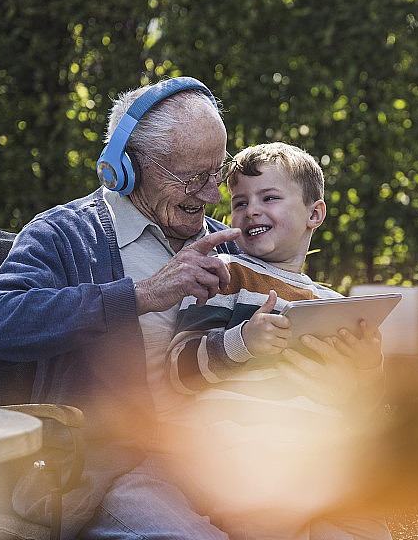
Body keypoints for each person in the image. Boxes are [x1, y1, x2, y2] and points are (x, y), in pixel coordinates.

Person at [0, 77, 385, 540]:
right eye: (191, 178)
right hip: (122, 465)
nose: (210, 194)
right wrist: (141, 294)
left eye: (216, 173)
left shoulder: (234, 244)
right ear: (126, 167)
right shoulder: (68, 235)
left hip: (226, 455)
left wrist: (353, 368)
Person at [165, 142, 391, 540]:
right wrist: (242, 342)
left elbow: (364, 409)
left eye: (269, 197)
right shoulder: (224, 275)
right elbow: (178, 371)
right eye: (239, 202)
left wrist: (367, 368)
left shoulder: (332, 304)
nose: (251, 210)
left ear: (314, 214)